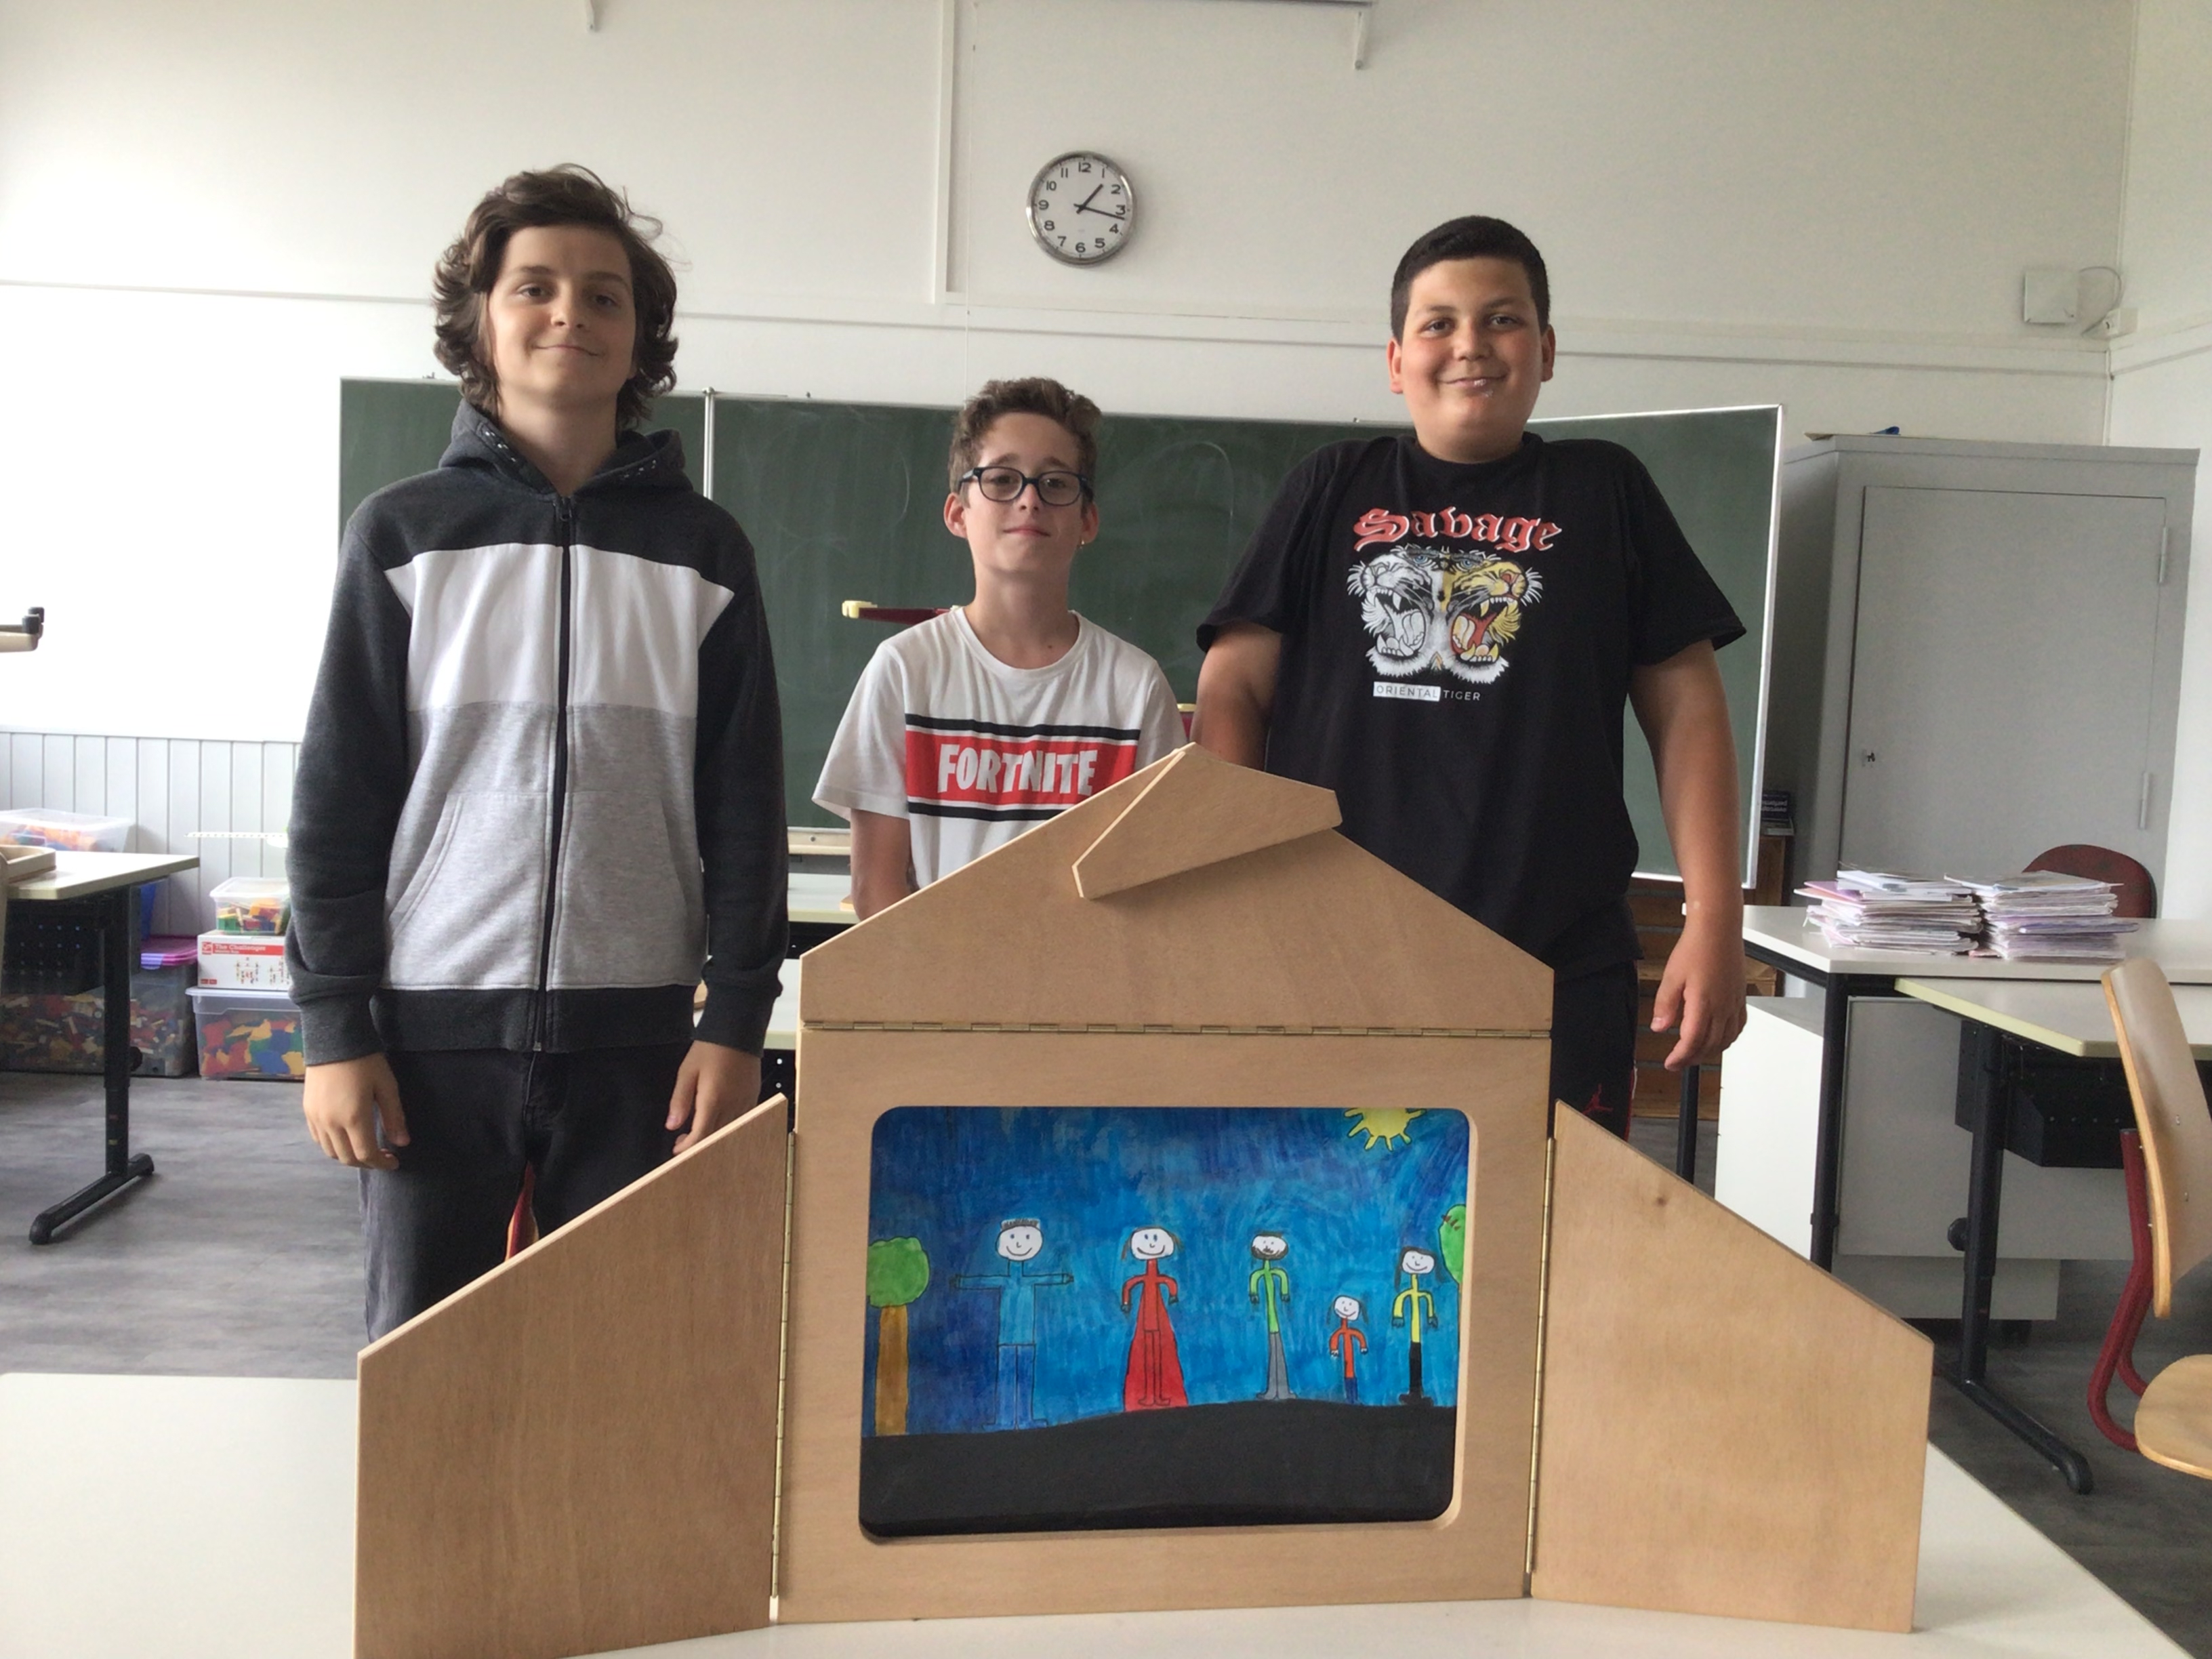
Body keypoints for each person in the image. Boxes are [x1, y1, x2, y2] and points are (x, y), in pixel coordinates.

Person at [287, 165, 788, 1339]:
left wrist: (733, 1020)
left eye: (605, 295)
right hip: (430, 1040)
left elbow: (743, 802)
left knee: (613, 1355)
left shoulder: (703, 550)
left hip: (640, 1044)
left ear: (641, 336)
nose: (571, 313)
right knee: (427, 1357)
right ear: (479, 324)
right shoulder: (403, 534)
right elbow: (339, 797)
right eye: (536, 287)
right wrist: (335, 1029)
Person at [1193, 216, 1748, 1136]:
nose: (1471, 346)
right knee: (1332, 1214)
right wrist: (1228, 894)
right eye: (1438, 323)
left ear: (1547, 350)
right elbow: (1232, 692)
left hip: (1554, 962)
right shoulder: (1330, 486)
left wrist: (1715, 916)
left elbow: (1688, 710)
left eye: (1502, 319)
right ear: (1396, 360)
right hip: (1331, 956)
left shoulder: (1605, 491)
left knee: (1552, 1216)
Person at [815, 378, 1185, 918]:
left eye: (1056, 482)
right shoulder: (905, 670)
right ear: (957, 514)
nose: (1030, 499)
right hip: (936, 972)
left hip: (1085, 974)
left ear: (1087, 520)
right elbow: (876, 890)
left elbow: (1154, 884)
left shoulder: (1134, 687)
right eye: (1003, 480)